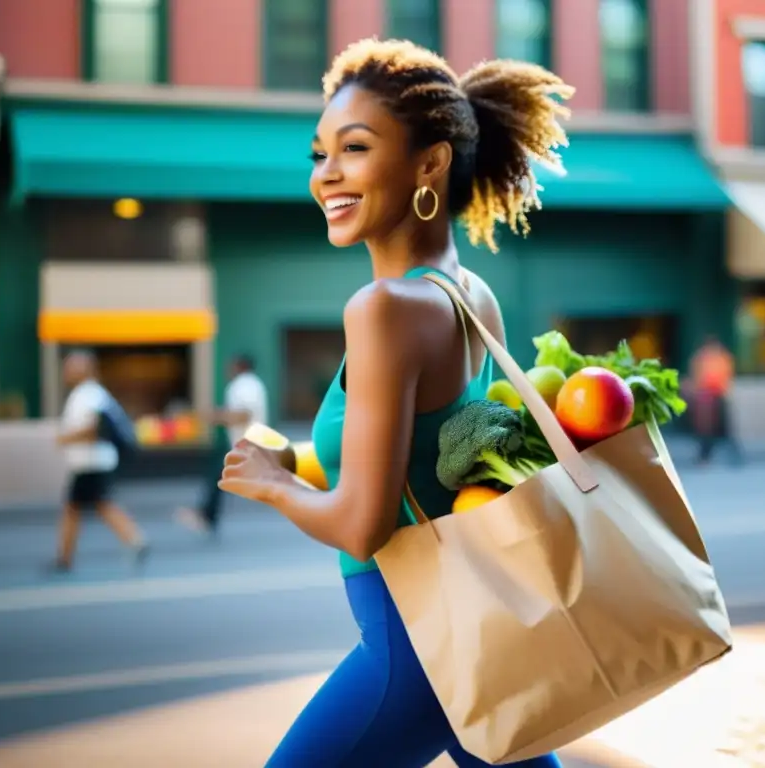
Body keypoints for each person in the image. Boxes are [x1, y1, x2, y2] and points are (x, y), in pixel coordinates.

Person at [216, 39, 568, 768]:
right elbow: (433, 471)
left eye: (353, 147)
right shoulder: (473, 296)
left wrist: (273, 484)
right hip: (475, 621)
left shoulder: (382, 310)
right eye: (318, 154)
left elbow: (364, 525)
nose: (326, 176)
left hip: (413, 646)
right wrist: (305, 461)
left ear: (430, 163)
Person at [52, 350, 148, 572]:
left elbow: (93, 427)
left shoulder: (89, 394)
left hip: (91, 462)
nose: (66, 372)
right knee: (85, 507)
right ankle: (65, 557)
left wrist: (65, 438)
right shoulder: (89, 393)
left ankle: (134, 539)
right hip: (90, 462)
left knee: (90, 506)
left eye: (71, 367)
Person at [176, 354, 268, 536]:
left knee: (218, 477)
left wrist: (215, 417)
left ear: (239, 366)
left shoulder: (244, 385)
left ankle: (206, 515)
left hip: (244, 443)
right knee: (219, 478)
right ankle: (207, 515)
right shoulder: (252, 384)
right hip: (246, 442)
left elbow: (243, 414)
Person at [690, 335, 742, 466]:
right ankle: (705, 457)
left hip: (718, 395)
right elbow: (697, 377)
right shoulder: (702, 358)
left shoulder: (722, 358)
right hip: (707, 396)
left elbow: (727, 376)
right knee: (707, 430)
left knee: (724, 429)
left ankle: (733, 457)